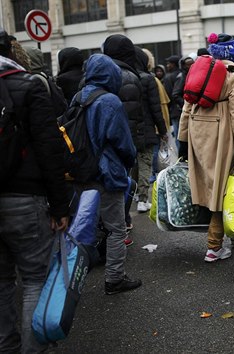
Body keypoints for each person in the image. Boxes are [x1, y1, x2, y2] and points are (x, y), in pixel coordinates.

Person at [0, 28, 71, 353]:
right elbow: (49, 149)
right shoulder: (28, 85)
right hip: (24, 198)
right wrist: (60, 207)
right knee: (33, 280)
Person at [178, 33, 234, 263]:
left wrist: (182, 140)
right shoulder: (232, 75)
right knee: (222, 189)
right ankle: (214, 247)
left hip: (198, 133)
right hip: (221, 134)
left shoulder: (199, 72)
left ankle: (233, 236)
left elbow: (186, 109)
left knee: (209, 185)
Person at [77, 53, 140, 294]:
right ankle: (114, 278)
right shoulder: (109, 101)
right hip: (106, 172)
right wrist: (127, 162)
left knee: (85, 227)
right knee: (116, 228)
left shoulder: (79, 97)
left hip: (81, 172)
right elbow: (123, 143)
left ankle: (75, 277)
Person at [102, 34, 144, 242]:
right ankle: (120, 227)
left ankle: (106, 230)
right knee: (123, 184)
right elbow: (133, 118)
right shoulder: (130, 76)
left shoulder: (94, 74)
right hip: (121, 143)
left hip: (96, 143)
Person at [134, 46, 168, 217]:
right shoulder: (148, 79)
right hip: (147, 129)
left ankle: (133, 196)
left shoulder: (123, 76)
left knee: (133, 165)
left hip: (128, 130)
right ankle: (142, 199)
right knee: (145, 165)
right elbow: (156, 109)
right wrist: (163, 130)